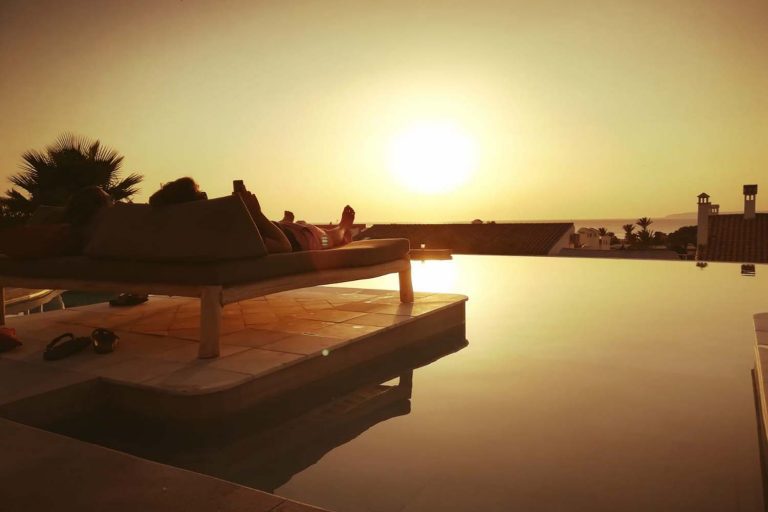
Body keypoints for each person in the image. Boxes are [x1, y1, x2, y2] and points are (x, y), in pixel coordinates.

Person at [149, 177, 355, 253]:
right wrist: (255, 212)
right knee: (330, 235)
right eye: (199, 192)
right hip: (301, 240)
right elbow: (283, 245)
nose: (205, 193)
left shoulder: (193, 232)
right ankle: (344, 228)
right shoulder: (221, 237)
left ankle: (284, 222)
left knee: (287, 224)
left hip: (279, 229)